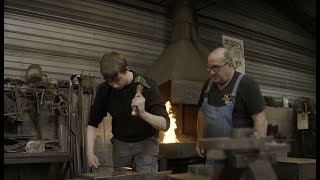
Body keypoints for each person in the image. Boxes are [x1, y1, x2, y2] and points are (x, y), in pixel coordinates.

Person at [87, 52, 170, 173]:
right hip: (121, 145)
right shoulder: (105, 90)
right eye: (111, 82)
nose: (115, 85)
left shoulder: (147, 86)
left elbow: (165, 125)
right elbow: (92, 123)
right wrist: (90, 153)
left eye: (118, 80)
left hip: (146, 143)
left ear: (126, 69)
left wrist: (142, 113)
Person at [196, 46, 267, 155]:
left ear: (229, 65)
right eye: (209, 68)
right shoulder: (207, 86)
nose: (211, 73)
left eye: (216, 68)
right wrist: (200, 140)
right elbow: (201, 115)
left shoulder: (246, 84)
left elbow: (260, 120)